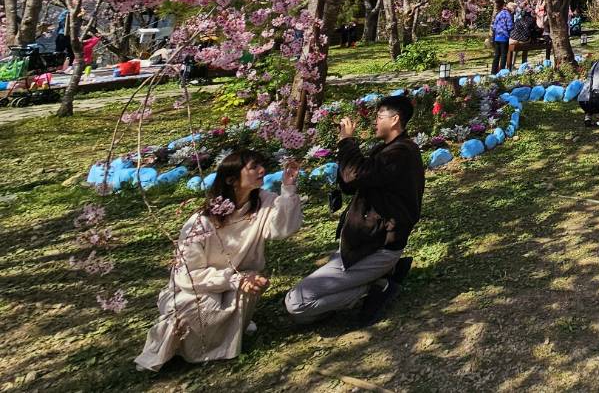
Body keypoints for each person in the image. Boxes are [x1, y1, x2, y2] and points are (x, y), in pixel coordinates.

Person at [135, 151, 302, 371]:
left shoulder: (263, 201)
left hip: (242, 282)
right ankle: (182, 346)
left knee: (240, 294)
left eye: (261, 165)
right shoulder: (200, 222)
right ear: (231, 179)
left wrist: (288, 188)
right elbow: (186, 276)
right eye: (253, 167)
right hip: (199, 286)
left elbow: (282, 229)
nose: (262, 170)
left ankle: (223, 338)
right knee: (197, 308)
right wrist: (233, 279)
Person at [285, 94, 424, 325]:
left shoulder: (401, 153)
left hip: (377, 246)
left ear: (395, 120)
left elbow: (355, 174)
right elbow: (351, 182)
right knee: (305, 298)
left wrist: (346, 142)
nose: (375, 122)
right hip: (362, 242)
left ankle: (374, 286)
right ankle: (377, 280)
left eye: (379, 117)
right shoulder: (388, 150)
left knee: (297, 304)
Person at [509, 0, 536, 66]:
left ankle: (511, 64)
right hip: (524, 40)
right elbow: (532, 31)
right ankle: (524, 63)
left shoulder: (518, 20)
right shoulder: (531, 21)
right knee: (525, 46)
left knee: (514, 49)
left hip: (514, 38)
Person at [490, 0, 514, 73]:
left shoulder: (499, 13)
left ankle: (493, 71)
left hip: (497, 37)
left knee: (497, 55)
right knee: (503, 55)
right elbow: (510, 26)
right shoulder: (508, 15)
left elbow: (494, 26)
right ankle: (502, 72)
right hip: (504, 37)